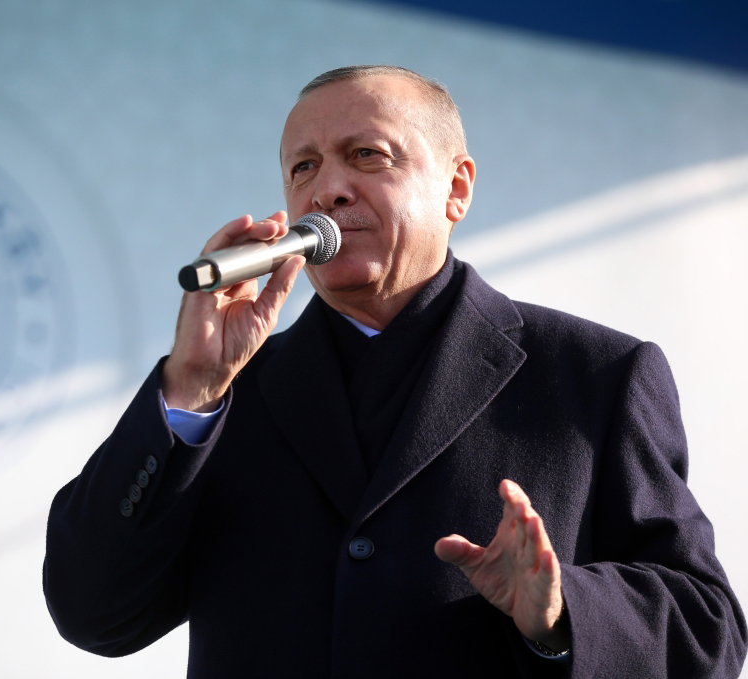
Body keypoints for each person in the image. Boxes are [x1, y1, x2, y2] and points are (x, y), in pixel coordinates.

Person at [43, 66, 747, 677]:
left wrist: (561, 611)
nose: (328, 191)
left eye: (365, 154)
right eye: (303, 168)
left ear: (457, 189)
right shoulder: (226, 394)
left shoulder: (597, 375)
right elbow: (92, 612)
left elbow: (708, 631)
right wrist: (189, 390)